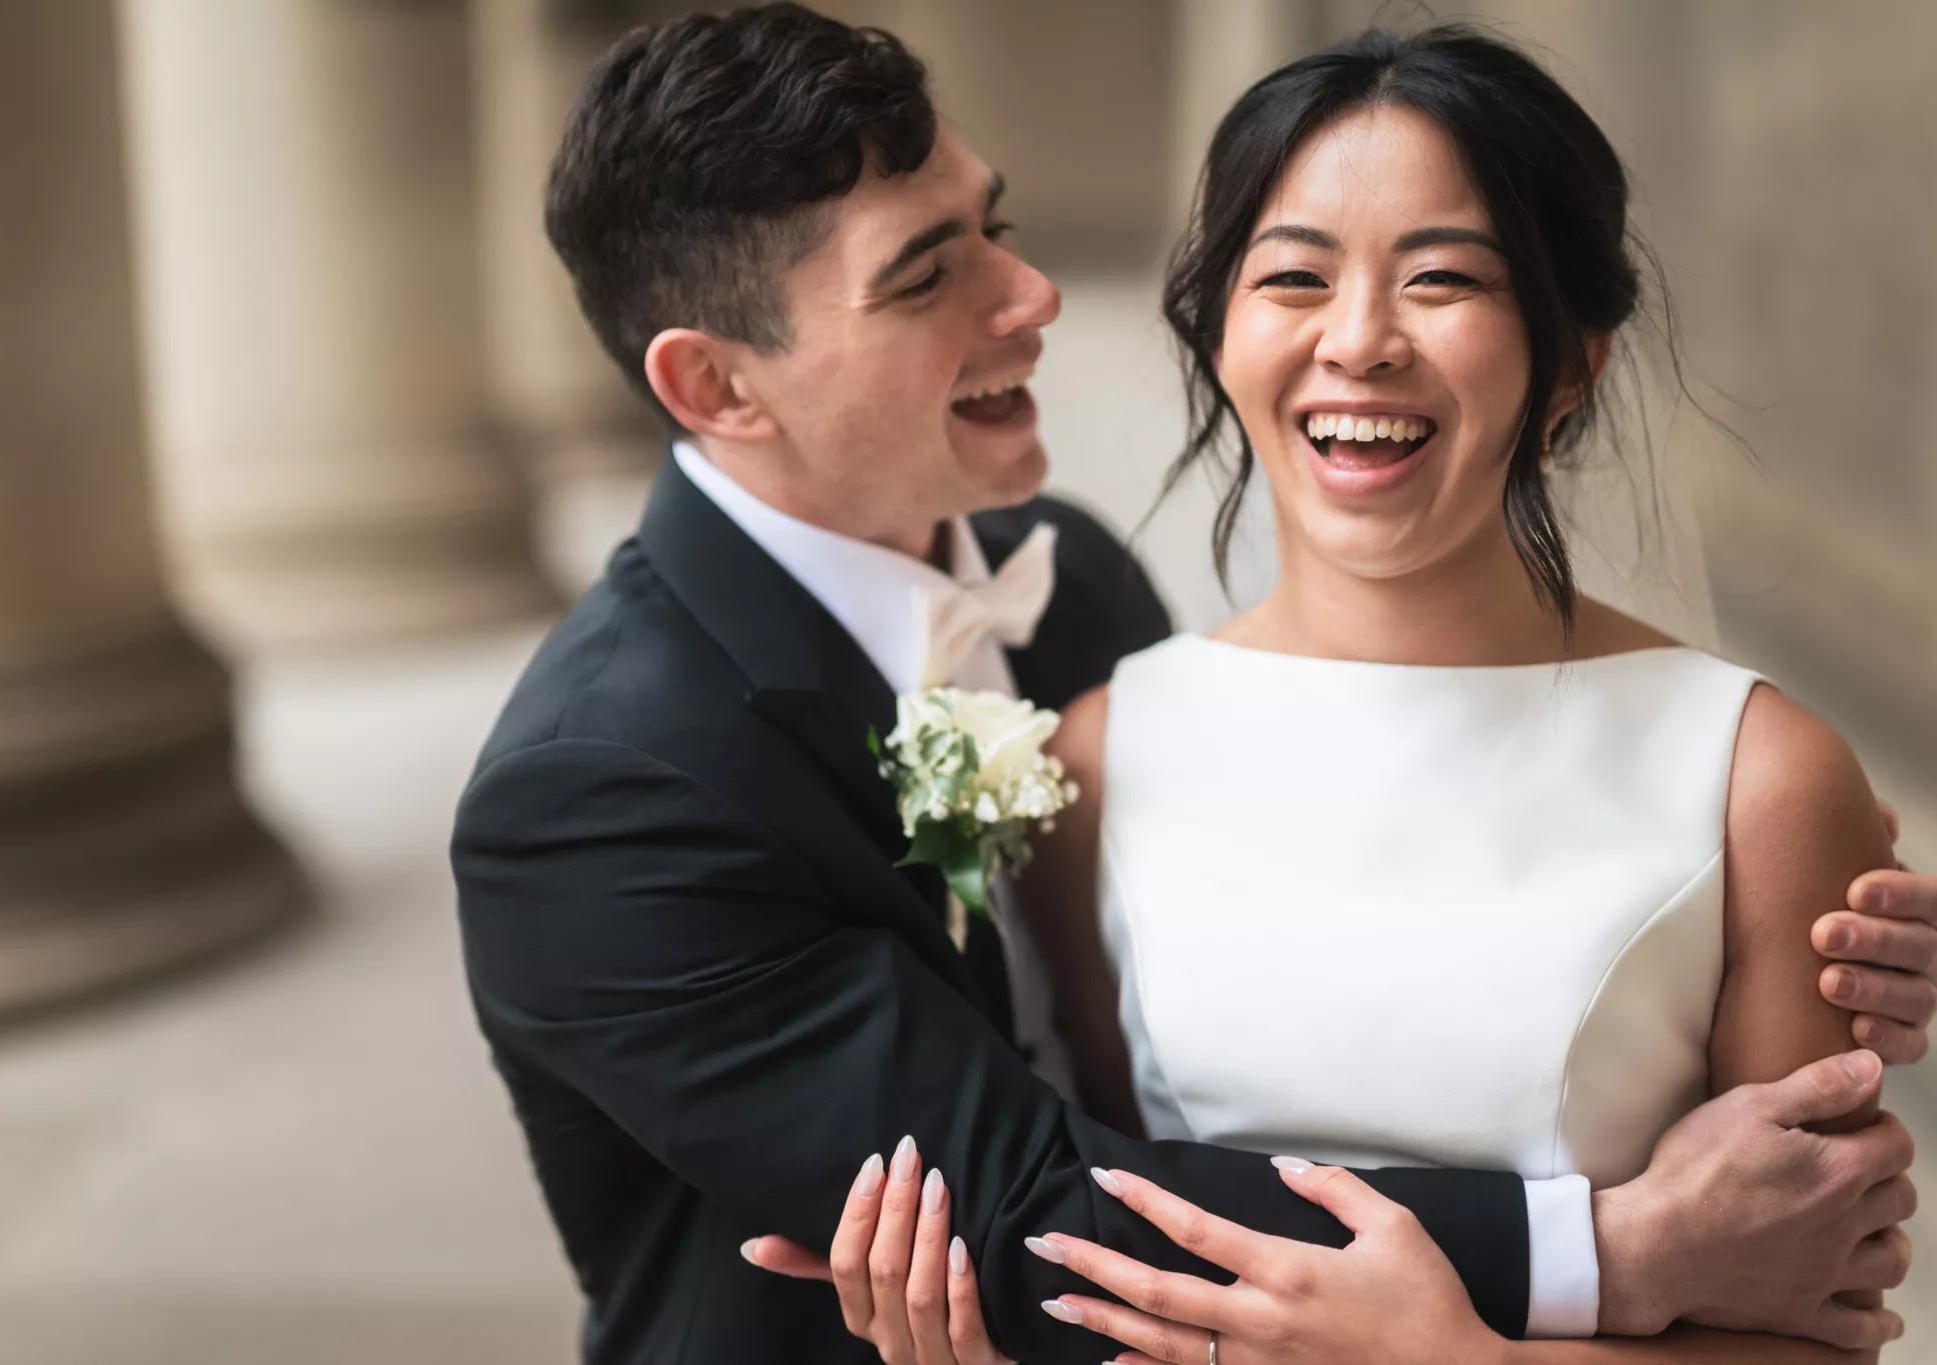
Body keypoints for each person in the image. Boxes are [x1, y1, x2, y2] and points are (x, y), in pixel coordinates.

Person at [449, 8, 1937, 1364]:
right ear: (717, 387)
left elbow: (1812, 1283)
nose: (1029, 294)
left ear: (1570, 363)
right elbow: (1030, 1202)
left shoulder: (1064, 585)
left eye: (993, 228)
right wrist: (1608, 1252)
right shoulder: (607, 785)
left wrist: (1761, 870)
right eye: (926, 275)